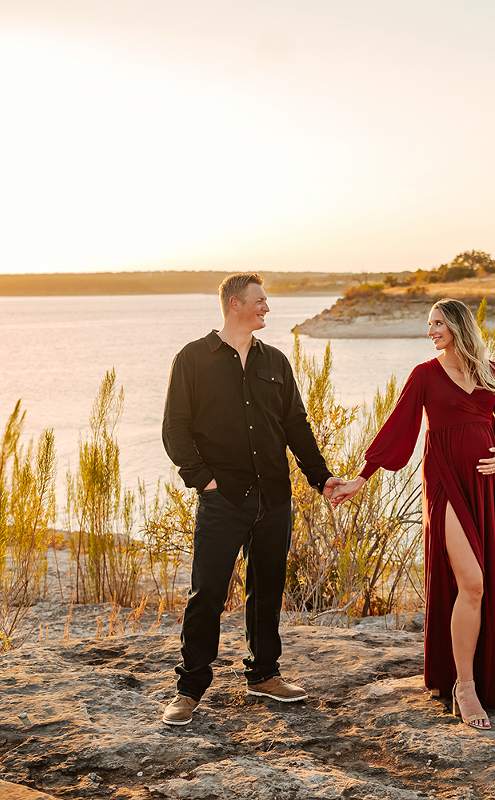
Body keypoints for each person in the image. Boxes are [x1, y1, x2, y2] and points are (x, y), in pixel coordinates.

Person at [331, 298, 495, 729]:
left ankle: (486, 675)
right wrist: (361, 477)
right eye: (428, 324)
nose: (431, 331)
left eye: (437, 323)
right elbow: (398, 429)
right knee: (472, 582)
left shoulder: (492, 371)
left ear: (457, 325)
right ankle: (464, 687)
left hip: (489, 487)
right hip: (447, 485)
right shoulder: (424, 375)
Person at [160, 272, 343, 726]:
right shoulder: (193, 359)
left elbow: (296, 427)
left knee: (267, 591)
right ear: (234, 304)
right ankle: (189, 688)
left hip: (274, 497)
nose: (267, 308)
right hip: (223, 500)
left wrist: (322, 480)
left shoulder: (277, 362)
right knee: (207, 593)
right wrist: (203, 480)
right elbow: (174, 428)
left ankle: (263, 674)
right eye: (260, 301)